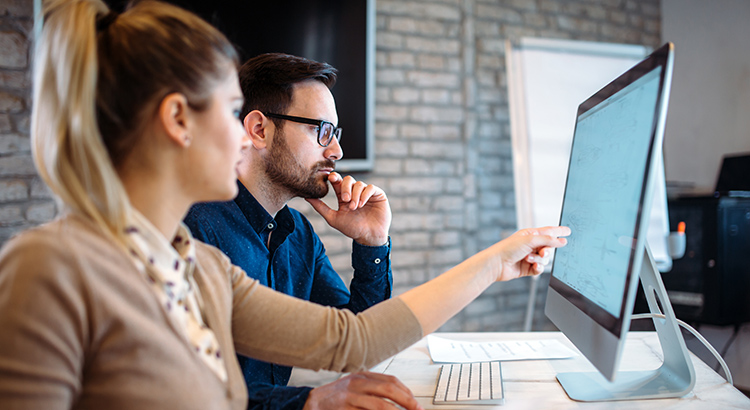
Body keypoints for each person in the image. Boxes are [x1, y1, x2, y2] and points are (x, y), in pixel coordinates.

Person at [0, 1, 570, 409]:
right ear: (179, 120)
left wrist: (494, 261)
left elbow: (355, 341)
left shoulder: (192, 267)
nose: (240, 135)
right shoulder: (52, 267)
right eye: (229, 112)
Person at [183, 53, 396, 409]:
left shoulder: (298, 234)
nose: (337, 150)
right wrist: (307, 401)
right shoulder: (192, 229)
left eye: (335, 133)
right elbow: (190, 389)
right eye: (321, 131)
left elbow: (358, 345)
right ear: (259, 130)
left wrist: (371, 242)